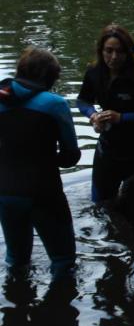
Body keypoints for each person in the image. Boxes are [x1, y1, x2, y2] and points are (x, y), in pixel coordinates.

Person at [0, 47, 81, 279]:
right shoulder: (54, 104)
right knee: (63, 260)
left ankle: (15, 308)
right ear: (50, 77)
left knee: (16, 262)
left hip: (6, 192)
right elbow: (70, 156)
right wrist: (44, 157)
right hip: (43, 192)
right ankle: (60, 310)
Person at [77, 23, 134, 204]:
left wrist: (122, 118)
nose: (113, 57)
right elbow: (82, 100)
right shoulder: (94, 72)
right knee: (101, 204)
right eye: (108, 51)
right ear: (100, 51)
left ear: (128, 53)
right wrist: (93, 115)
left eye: (119, 52)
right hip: (108, 147)